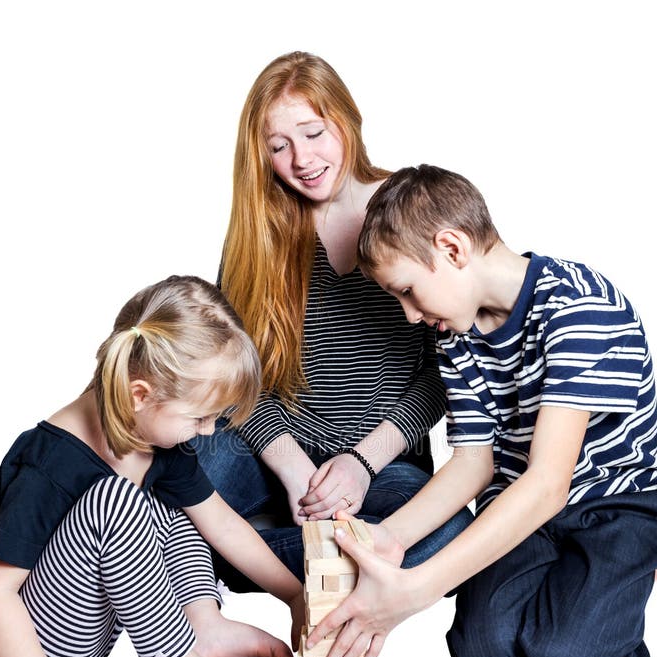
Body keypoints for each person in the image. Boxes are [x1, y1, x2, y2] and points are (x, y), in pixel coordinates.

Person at [308, 165, 657, 657]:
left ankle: (633, 569)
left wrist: (417, 589)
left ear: (452, 249)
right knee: (481, 651)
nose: (411, 315)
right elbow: (474, 463)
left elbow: (548, 484)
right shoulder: (457, 333)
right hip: (525, 501)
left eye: (409, 292)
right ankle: (583, 588)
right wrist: (390, 538)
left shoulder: (580, 308)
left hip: (618, 500)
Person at [0, 275, 305, 657]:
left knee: (176, 499)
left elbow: (223, 523)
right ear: (140, 394)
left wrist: (295, 594)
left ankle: (202, 626)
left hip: (84, 630)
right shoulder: (49, 464)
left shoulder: (151, 434)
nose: (208, 431)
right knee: (118, 500)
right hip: (16, 655)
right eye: (200, 417)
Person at [193, 52, 472, 588]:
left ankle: (241, 556)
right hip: (270, 445)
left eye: (314, 133)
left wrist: (361, 465)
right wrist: (290, 465)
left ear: (346, 120)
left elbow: (445, 373)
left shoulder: (414, 209)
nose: (302, 159)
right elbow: (239, 374)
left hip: (383, 460)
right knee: (167, 483)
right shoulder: (257, 236)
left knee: (452, 534)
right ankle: (317, 554)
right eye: (279, 146)